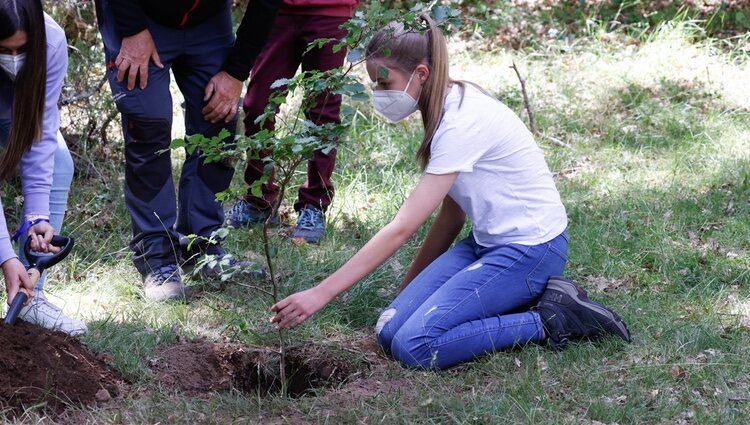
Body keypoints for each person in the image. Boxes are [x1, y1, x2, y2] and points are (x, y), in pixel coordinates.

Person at [269, 16, 631, 369]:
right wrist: (408, 295)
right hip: (486, 244)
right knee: (389, 328)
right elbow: (451, 215)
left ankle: (555, 317)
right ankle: (509, 299)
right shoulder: (443, 104)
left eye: (384, 82)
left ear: (421, 74)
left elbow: (402, 227)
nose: (380, 94)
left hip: (532, 250)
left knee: (415, 346)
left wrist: (322, 293)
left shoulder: (460, 122)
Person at [94, 0, 283, 301]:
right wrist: (132, 29)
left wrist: (235, 72)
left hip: (207, 20)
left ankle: (203, 245)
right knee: (149, 126)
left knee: (219, 122)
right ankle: (157, 256)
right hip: (138, 15)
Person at [225, 0, 358, 244]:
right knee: (257, 106)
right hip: (276, 10)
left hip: (330, 11)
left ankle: (314, 205)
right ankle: (259, 200)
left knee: (323, 112)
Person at [0, 0, 85, 335]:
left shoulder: (50, 39)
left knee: (60, 163)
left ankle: (30, 296)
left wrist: (37, 216)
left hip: (13, 115)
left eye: (22, 49)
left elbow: (40, 131)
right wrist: (7, 257)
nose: (15, 58)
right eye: (4, 49)